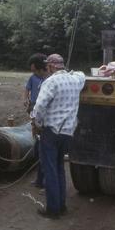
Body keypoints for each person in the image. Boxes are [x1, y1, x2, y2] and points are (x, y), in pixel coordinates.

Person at [31, 53, 85, 219]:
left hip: (51, 132)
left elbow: (39, 107)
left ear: (51, 66)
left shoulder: (51, 82)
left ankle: (53, 209)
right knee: (59, 168)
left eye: (48, 66)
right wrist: (71, 72)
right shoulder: (76, 80)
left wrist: (36, 123)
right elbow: (81, 74)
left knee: (50, 170)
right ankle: (61, 206)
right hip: (67, 132)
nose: (46, 69)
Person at [24, 53, 48, 189]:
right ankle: (40, 179)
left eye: (33, 69)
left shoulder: (49, 81)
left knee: (43, 150)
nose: (32, 72)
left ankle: (44, 181)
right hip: (37, 113)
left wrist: (36, 123)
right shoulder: (33, 78)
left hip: (45, 121)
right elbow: (27, 90)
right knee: (39, 148)